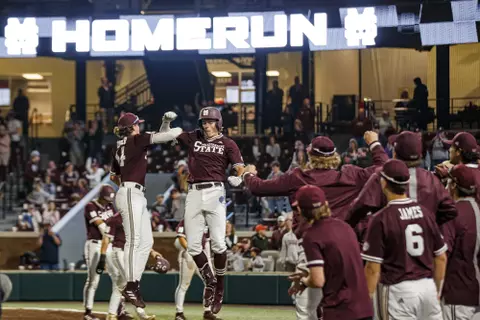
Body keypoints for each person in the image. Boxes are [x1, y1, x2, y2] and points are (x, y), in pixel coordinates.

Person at [175, 107, 245, 319]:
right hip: (194, 191)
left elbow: (240, 166)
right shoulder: (193, 137)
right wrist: (166, 126)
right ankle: (211, 280)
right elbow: (172, 135)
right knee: (194, 246)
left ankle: (220, 287)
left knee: (218, 243)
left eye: (210, 121)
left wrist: (239, 177)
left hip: (216, 190)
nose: (205, 124)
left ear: (218, 123)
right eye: (203, 121)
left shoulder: (228, 143)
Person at [110, 111, 181, 309]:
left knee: (147, 241)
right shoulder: (136, 140)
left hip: (132, 192)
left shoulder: (120, 145)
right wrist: (179, 129)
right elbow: (166, 136)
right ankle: (131, 285)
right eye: (137, 124)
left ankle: (134, 283)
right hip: (132, 192)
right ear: (132, 127)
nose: (139, 127)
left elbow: (113, 176)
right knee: (134, 241)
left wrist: (165, 122)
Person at [362, 159, 447, 320]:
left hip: (398, 291)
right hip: (427, 287)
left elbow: (373, 268)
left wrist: (366, 301)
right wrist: (436, 290)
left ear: (384, 183)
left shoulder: (381, 218)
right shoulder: (425, 213)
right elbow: (441, 257)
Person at [241, 131, 387, 220]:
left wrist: (248, 173)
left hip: (308, 244)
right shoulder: (352, 175)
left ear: (310, 156)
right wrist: (374, 143)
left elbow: (258, 188)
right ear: (334, 156)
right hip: (344, 239)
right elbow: (385, 168)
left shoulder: (297, 178)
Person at [289, 185, 373, 320]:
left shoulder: (312, 236)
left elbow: (317, 281)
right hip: (364, 308)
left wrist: (305, 280)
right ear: (326, 204)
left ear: (300, 210)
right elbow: (342, 267)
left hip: (339, 309)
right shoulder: (345, 227)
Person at [348, 131, 457, 233]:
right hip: (425, 248)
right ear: (420, 155)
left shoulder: (384, 175)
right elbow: (451, 210)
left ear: (394, 153)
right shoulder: (432, 179)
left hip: (391, 247)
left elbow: (357, 209)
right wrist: (429, 224)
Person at [96, 211, 160, 320]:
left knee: (120, 285)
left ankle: (111, 314)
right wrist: (102, 258)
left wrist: (152, 252)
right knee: (131, 281)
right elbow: (106, 238)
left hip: (130, 253)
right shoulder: (115, 218)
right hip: (119, 252)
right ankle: (141, 314)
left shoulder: (137, 218)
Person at [441, 164, 480, 320]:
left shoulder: (453, 213)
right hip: (475, 292)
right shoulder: (477, 209)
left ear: (454, 185)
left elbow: (442, 256)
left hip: (457, 294)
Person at [83, 185, 117, 320]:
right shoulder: (90, 206)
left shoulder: (110, 206)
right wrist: (110, 232)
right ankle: (88, 311)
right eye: (106, 199)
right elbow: (100, 225)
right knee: (93, 280)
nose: (107, 201)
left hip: (108, 244)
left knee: (117, 277)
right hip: (94, 244)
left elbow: (114, 222)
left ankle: (118, 310)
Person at [174, 219, 211, 320]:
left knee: (209, 283)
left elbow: (206, 242)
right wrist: (191, 251)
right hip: (188, 255)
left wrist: (208, 259)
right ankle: (179, 313)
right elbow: (181, 238)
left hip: (202, 255)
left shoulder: (205, 221)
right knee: (183, 285)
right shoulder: (186, 220)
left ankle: (207, 311)